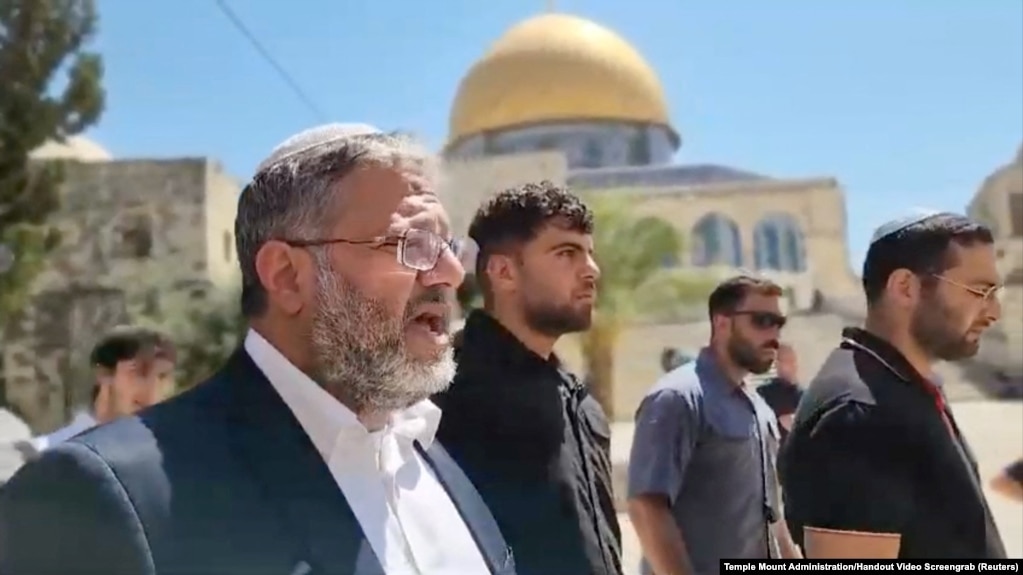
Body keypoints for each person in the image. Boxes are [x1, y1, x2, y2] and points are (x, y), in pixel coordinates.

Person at [0, 124, 516, 575]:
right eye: (414, 245)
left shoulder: (436, 460)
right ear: (287, 275)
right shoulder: (108, 498)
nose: (450, 275)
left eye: (449, 248)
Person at [780, 212, 1007, 559]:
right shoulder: (858, 415)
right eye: (979, 291)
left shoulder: (903, 385)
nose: (994, 311)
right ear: (905, 287)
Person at [433, 182, 621, 575]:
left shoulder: (578, 401)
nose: (592, 270)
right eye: (567, 253)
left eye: (590, 253)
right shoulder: (441, 392)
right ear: (503, 272)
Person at [627, 276, 801, 575]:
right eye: (762, 321)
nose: (773, 334)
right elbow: (647, 507)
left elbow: (774, 517)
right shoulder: (678, 398)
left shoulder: (760, 409)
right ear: (721, 324)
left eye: (778, 323)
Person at [29, 326, 176, 453]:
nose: (152, 388)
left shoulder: (172, 461)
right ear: (104, 373)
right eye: (138, 372)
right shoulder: (44, 454)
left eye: (162, 376)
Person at [754, 343, 803, 440]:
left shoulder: (802, 395)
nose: (793, 366)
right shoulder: (764, 393)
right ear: (777, 364)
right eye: (788, 362)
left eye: (793, 361)